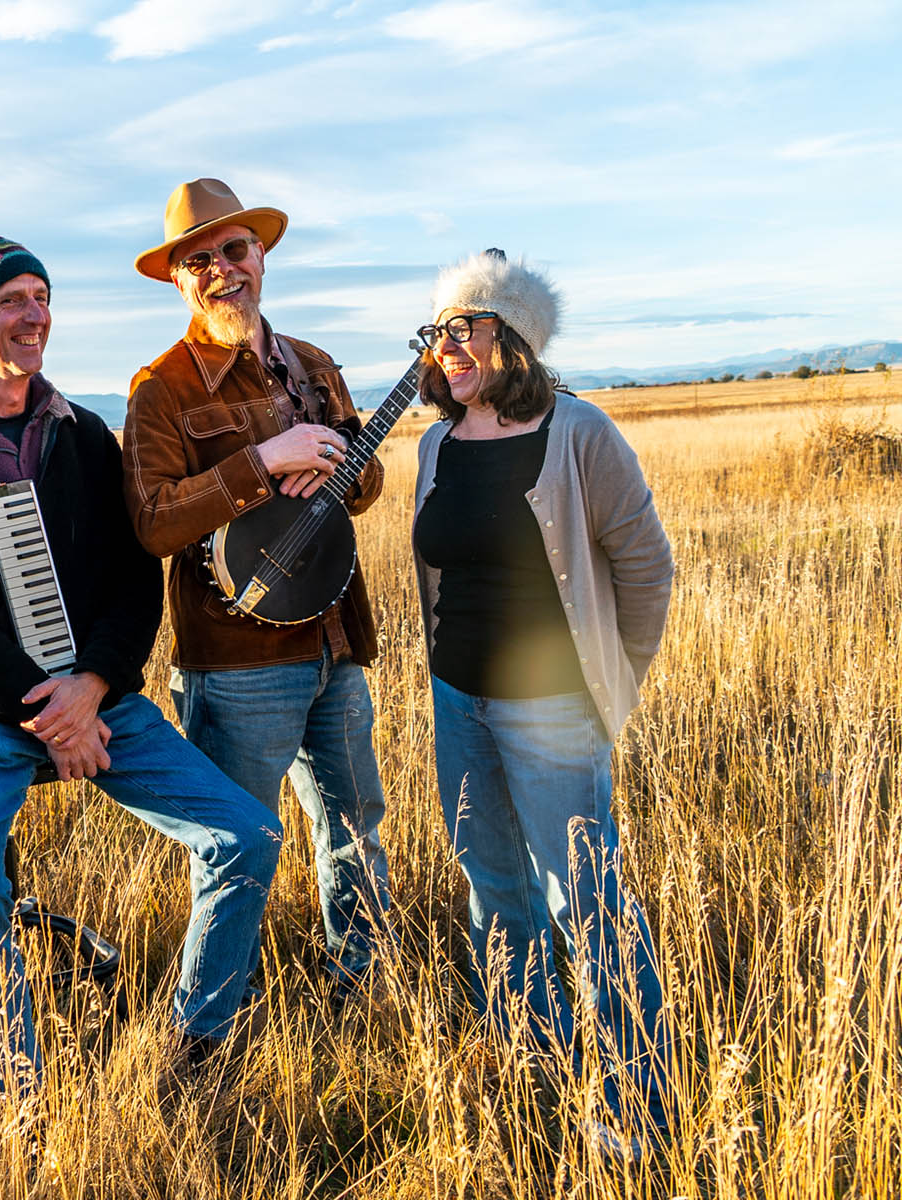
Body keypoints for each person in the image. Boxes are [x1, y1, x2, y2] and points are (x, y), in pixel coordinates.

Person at [0, 235, 280, 1106]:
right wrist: (46, 711)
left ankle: (190, 1048)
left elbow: (135, 584)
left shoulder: (84, 438)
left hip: (95, 696)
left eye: (41, 297)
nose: (34, 316)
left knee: (248, 837)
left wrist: (89, 688)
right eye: (12, 300)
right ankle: (16, 1094)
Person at [410, 249, 675, 1159]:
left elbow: (646, 567)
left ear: (512, 340)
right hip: (458, 701)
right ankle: (539, 1066)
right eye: (435, 331)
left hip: (552, 705)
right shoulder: (434, 445)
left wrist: (611, 682)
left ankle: (636, 1107)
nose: (443, 347)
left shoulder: (580, 433)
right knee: (495, 892)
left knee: (586, 901)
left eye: (461, 329)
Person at [120, 179, 390, 989]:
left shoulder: (312, 365)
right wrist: (262, 465)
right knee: (239, 847)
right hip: (236, 665)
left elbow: (368, 482)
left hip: (336, 640)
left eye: (234, 249)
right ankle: (209, 1025)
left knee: (355, 828)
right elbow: (153, 522)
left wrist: (344, 466)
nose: (221, 269)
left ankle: (363, 980)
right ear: (178, 279)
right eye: (198, 259)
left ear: (261, 254)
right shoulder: (159, 388)